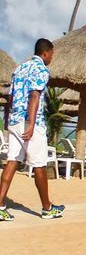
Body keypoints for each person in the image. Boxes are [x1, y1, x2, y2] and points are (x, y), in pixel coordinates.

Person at [0, 38, 63, 220]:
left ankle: (0, 204)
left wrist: (8, 121)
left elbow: (10, 99)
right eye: (51, 54)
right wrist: (32, 123)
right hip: (31, 122)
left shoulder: (19, 69)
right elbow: (35, 96)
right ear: (45, 53)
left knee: (12, 161)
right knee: (39, 164)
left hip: (14, 120)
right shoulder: (42, 69)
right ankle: (47, 208)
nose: (52, 57)